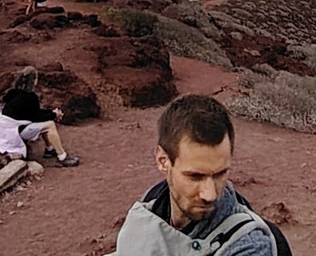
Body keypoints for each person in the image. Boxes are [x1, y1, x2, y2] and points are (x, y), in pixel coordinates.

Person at [113, 95, 290, 255]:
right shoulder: (153, 202)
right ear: (163, 161)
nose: (210, 194)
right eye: (195, 177)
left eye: (220, 174)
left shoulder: (249, 246)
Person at [0, 66, 79, 167]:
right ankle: (62, 156)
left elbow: (32, 113)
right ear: (34, 81)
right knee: (49, 125)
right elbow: (36, 117)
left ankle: (50, 149)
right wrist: (54, 115)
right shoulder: (30, 97)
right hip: (15, 132)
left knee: (45, 124)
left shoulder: (13, 93)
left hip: (8, 130)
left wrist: (52, 113)